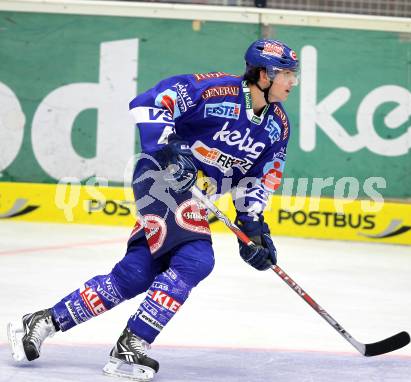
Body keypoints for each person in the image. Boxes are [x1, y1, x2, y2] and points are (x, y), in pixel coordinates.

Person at [7, 39, 299, 381]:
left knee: (135, 274)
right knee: (196, 259)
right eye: (287, 75)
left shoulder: (277, 127)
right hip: (160, 177)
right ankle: (132, 343)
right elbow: (150, 102)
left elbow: (258, 179)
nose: (292, 82)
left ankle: (42, 321)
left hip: (196, 198)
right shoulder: (215, 90)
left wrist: (252, 227)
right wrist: (171, 146)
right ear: (263, 75)